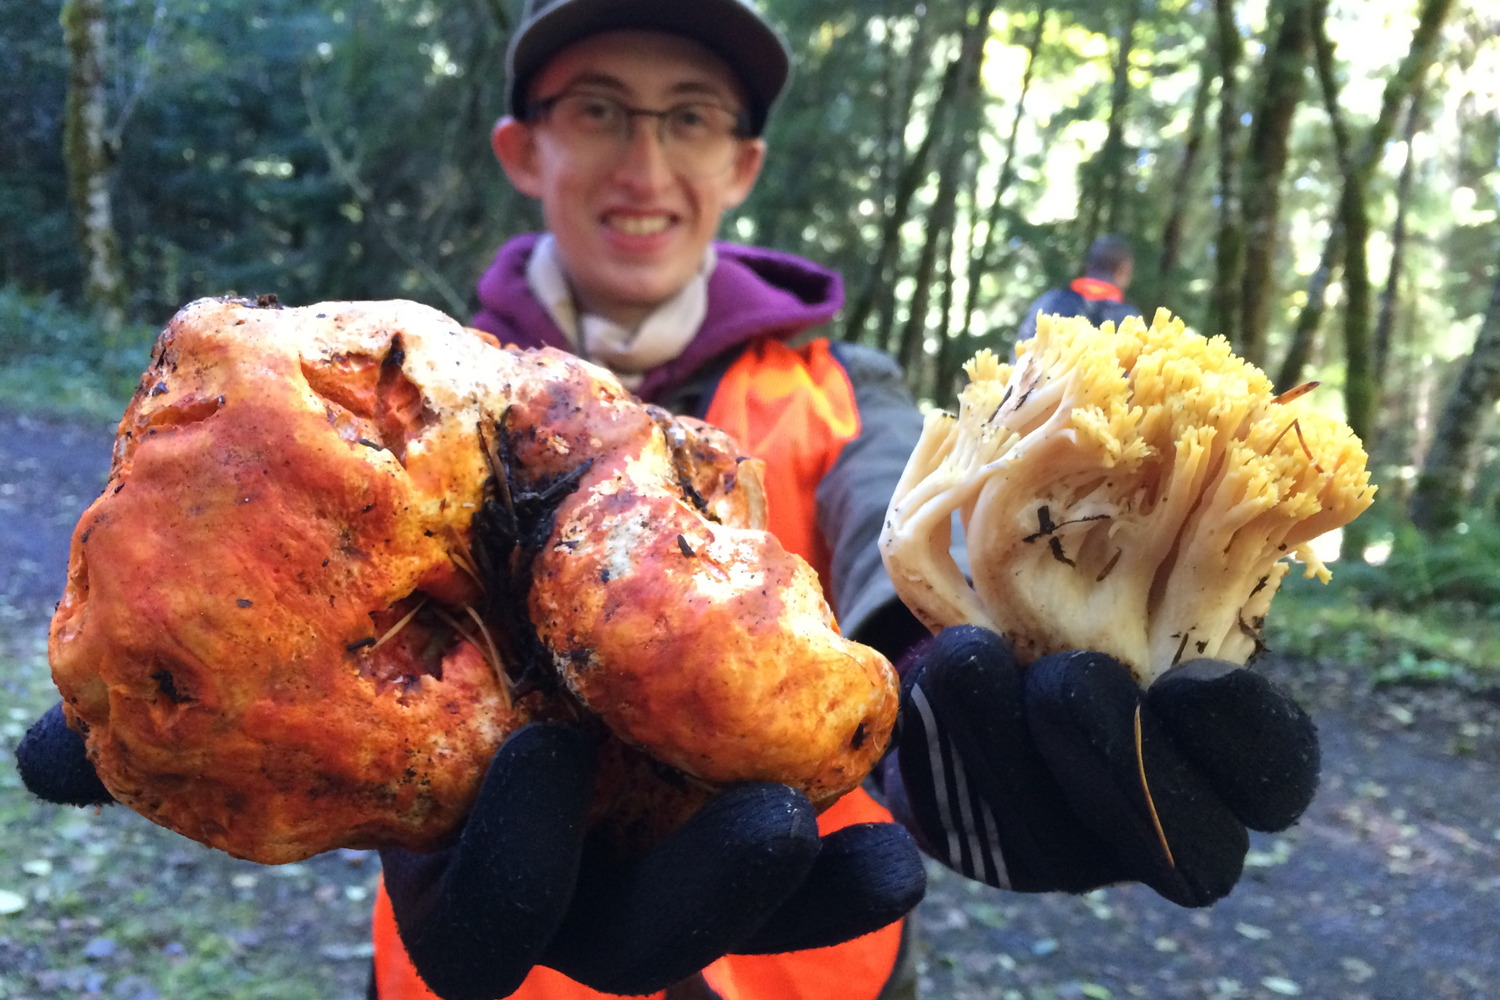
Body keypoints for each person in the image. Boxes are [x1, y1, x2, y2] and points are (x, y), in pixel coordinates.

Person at [16, 3, 1322, 999]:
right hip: (476, 965)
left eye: (689, 114)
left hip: (811, 953)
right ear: (524, 148)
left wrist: (959, 703)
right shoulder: (391, 378)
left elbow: (886, 565)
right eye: (601, 109)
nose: (646, 159)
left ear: (742, 161)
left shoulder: (842, 390)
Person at [1017, 234, 1142, 342]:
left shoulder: (1049, 301)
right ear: (1123, 270)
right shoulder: (1129, 319)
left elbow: (1022, 347)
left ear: (1088, 265)